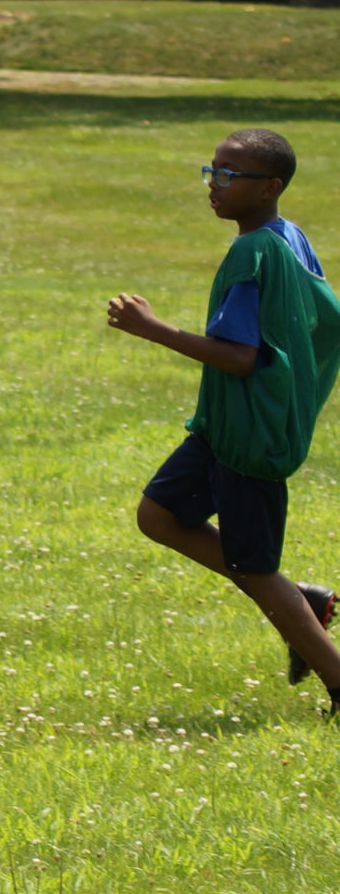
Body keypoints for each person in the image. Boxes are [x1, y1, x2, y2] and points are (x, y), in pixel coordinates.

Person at [109, 129, 340, 701]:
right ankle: (303, 601)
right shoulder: (289, 237)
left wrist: (153, 329)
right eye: (212, 170)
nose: (214, 184)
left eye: (230, 174)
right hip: (228, 425)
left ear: (269, 187)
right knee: (159, 515)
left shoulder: (252, 253)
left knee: (254, 567)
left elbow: (240, 357)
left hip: (250, 436)